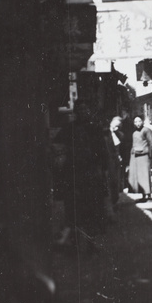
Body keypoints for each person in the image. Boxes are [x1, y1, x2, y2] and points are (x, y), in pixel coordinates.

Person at [55, 99, 108, 245]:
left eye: (86, 109)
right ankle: (75, 242)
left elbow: (102, 151)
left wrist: (103, 170)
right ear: (76, 112)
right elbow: (58, 146)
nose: (83, 112)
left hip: (91, 173)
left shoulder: (95, 129)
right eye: (80, 110)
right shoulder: (68, 129)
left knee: (92, 209)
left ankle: (92, 242)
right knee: (75, 210)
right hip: (74, 175)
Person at [128, 116, 152, 201]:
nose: (137, 123)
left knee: (146, 175)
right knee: (139, 177)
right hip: (136, 156)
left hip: (144, 156)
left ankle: (149, 196)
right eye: (135, 122)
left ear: (142, 121)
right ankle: (143, 195)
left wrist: (150, 155)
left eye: (139, 121)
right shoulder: (134, 132)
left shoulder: (146, 130)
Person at [104, 116, 124, 220]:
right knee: (110, 183)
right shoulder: (106, 135)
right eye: (115, 126)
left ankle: (114, 203)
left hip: (115, 161)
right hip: (109, 161)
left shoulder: (119, 135)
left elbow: (119, 147)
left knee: (115, 182)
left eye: (118, 127)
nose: (116, 128)